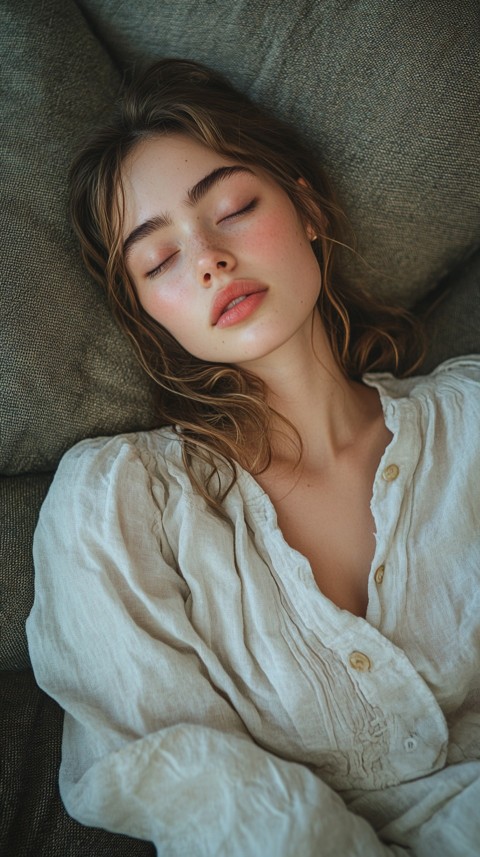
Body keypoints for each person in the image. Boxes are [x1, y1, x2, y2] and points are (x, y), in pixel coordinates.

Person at [26, 59, 480, 856]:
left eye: (232, 208)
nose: (206, 257)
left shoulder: (472, 416)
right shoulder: (114, 503)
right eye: (158, 260)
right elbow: (168, 771)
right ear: (147, 316)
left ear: (304, 205)